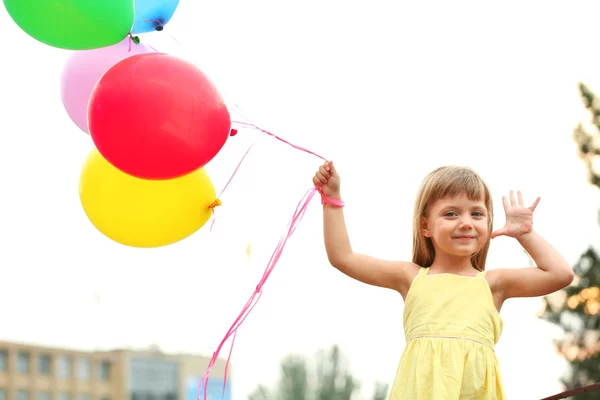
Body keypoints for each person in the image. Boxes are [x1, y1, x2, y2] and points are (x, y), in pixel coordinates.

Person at [312, 161, 574, 400]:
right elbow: (342, 257)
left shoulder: (494, 284)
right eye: (451, 214)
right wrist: (331, 199)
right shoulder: (411, 277)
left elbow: (560, 274)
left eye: (477, 214)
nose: (465, 223)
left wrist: (525, 234)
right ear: (426, 226)